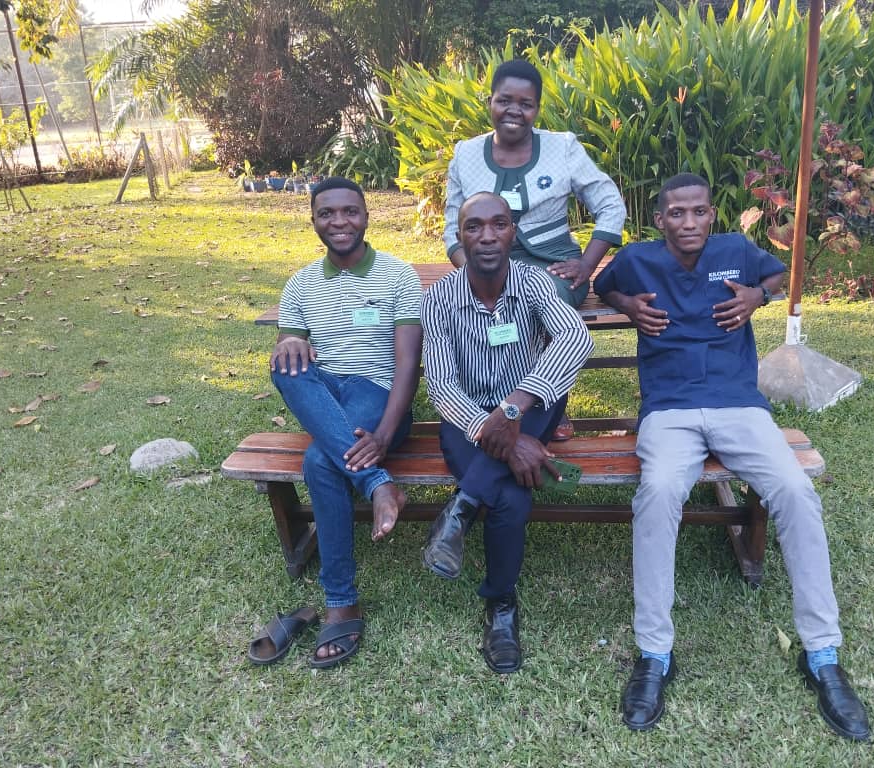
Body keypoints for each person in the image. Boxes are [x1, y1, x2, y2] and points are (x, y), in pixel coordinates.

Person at [593, 173, 871, 740]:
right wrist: (628, 306)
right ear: (661, 219)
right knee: (659, 492)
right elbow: (601, 286)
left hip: (740, 405)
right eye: (676, 214)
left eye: (698, 212)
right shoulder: (640, 259)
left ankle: (822, 654)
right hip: (669, 408)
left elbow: (778, 273)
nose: (688, 223)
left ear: (712, 213)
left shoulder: (734, 251)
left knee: (796, 492)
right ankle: (654, 653)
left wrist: (756, 296)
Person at [250, 176, 422, 670]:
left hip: (378, 396)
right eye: (328, 213)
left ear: (366, 216)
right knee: (285, 364)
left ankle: (341, 600)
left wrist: (387, 433)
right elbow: (292, 346)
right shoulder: (301, 282)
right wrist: (288, 343)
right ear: (314, 221)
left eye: (350, 212)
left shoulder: (396, 275)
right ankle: (377, 484)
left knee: (320, 463)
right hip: (324, 392)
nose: (339, 222)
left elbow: (408, 363)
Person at [421, 192, 593, 673]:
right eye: (474, 226)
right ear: (460, 237)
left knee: (544, 392)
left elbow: (576, 338)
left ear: (513, 233)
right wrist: (494, 429)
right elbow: (441, 386)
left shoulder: (535, 283)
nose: (488, 235)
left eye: (499, 224)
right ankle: (501, 606)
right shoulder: (438, 299)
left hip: (532, 404)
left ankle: (462, 507)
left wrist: (516, 408)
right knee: (513, 497)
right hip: (467, 421)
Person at [443, 58, 626, 441]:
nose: (514, 111)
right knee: (471, 304)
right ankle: (487, 397)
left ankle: (549, 402)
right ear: (489, 101)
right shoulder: (466, 153)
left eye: (525, 104)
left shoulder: (563, 147)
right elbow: (451, 225)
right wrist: (469, 273)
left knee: (536, 302)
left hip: (553, 265)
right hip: (487, 261)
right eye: (504, 100)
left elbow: (610, 203)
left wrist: (586, 264)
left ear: (537, 109)